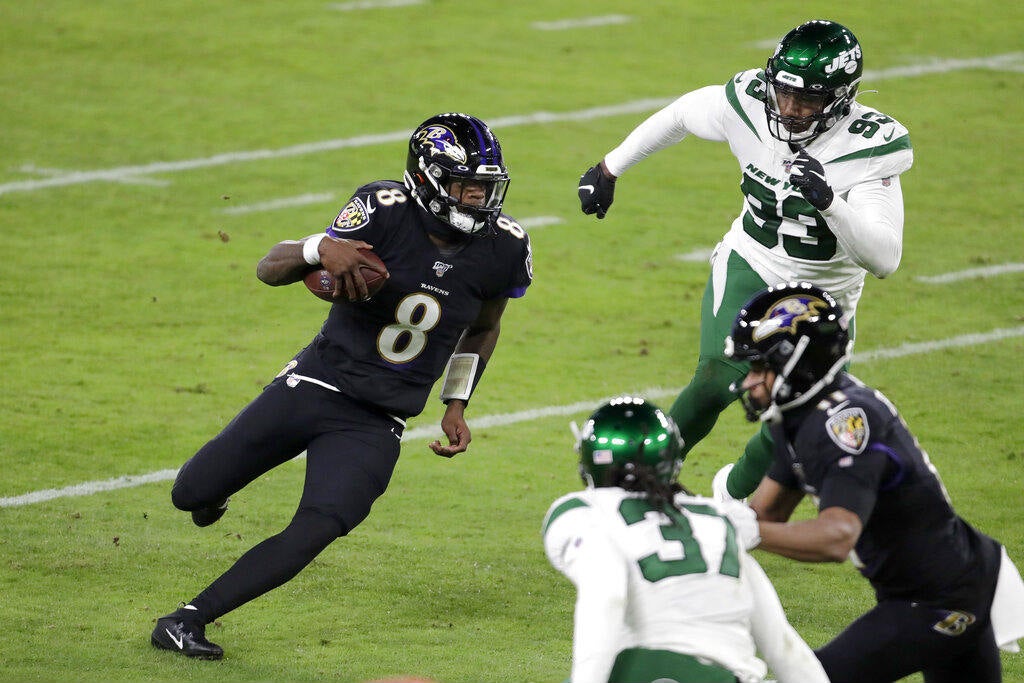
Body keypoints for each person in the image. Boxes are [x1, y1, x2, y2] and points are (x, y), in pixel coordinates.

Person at [150, 112, 533, 659]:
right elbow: (269, 268)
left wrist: (456, 401)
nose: (476, 198)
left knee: (324, 522)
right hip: (315, 381)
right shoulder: (381, 210)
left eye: (484, 186)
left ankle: (189, 618)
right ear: (427, 178)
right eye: (464, 186)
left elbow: (486, 326)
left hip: (378, 418)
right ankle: (211, 497)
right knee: (190, 492)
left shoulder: (505, 246)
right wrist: (316, 249)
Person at [577, 19, 913, 500]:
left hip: (821, 299)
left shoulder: (867, 145)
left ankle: (728, 502)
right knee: (715, 380)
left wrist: (829, 203)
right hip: (753, 263)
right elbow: (680, 114)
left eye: (808, 100)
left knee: (793, 421)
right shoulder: (752, 102)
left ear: (840, 99)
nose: (791, 109)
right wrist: (611, 166)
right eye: (785, 93)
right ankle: (630, 486)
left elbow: (885, 257)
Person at [722, 281, 1024, 682]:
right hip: (938, 585)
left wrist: (750, 530)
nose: (748, 382)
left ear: (796, 362)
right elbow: (767, 513)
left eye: (760, 367)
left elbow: (836, 536)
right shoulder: (797, 415)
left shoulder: (844, 423)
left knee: (814, 678)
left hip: (942, 597)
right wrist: (713, 527)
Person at [542, 396, 830, 683]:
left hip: (652, 670)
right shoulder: (719, 519)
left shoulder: (581, 512)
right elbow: (784, 649)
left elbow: (607, 593)